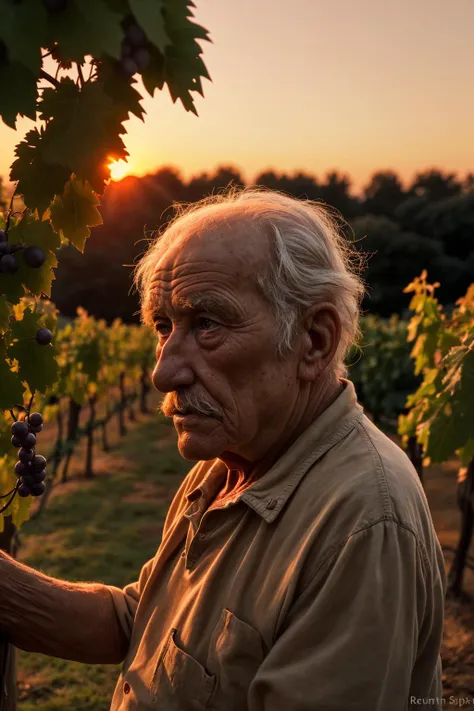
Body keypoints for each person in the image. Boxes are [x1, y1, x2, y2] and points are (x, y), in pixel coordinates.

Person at [0, 188, 446, 710]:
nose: (163, 371)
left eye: (207, 324)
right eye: (163, 327)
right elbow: (138, 622)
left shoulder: (361, 524)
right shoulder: (229, 465)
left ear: (315, 341)